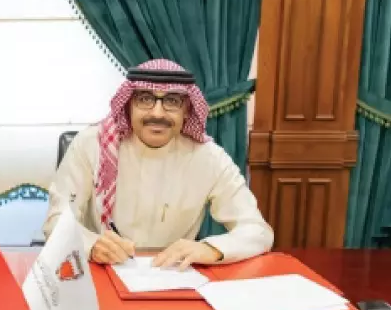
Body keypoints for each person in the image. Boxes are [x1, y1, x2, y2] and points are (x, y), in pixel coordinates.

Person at [43, 58, 273, 270]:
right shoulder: (90, 144)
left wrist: (210, 249)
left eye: (172, 101)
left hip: (173, 274)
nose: (157, 113)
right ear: (128, 104)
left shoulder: (209, 157)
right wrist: (91, 245)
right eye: (145, 99)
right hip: (98, 271)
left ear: (187, 109)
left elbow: (257, 230)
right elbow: (56, 222)